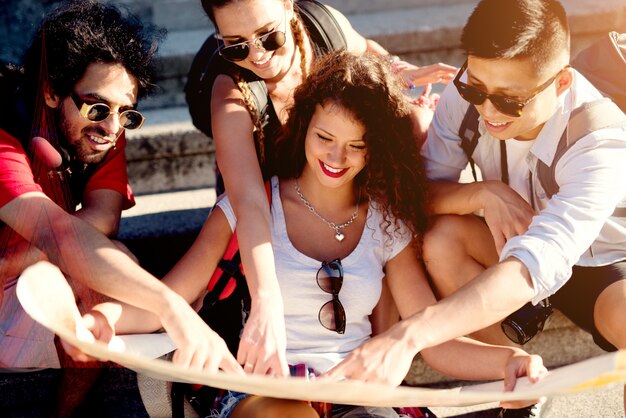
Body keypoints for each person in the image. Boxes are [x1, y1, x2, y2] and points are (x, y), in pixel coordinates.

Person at [85, 51, 546, 417]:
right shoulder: (252, 207)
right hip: (265, 390)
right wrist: (100, 318)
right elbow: (170, 296)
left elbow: (433, 339)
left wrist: (508, 363)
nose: (337, 157)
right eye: (325, 137)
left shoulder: (386, 221)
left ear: (375, 149)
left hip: (357, 396)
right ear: (303, 126)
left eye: (356, 145)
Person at [327, 0, 626, 415]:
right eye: (475, 89)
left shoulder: (600, 141)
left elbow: (534, 265)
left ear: (561, 84)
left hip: (607, 264)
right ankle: (519, 386)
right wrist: (482, 192)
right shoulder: (467, 92)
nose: (486, 109)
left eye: (509, 100)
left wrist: (406, 337)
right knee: (441, 237)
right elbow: (416, 196)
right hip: (513, 241)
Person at [194, 0, 457, 378]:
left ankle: (374, 344)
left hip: (341, 195)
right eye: (236, 44)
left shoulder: (325, 26)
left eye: (270, 36)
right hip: (265, 187)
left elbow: (366, 51)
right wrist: (266, 301)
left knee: (412, 120)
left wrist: (400, 71)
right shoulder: (231, 90)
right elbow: (249, 202)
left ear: (290, 6)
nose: (258, 55)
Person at [0, 0, 242, 375]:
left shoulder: (103, 129)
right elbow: (62, 233)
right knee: (77, 273)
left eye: (125, 113)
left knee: (113, 262)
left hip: (12, 266)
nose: (113, 128)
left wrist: (23, 256)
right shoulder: (5, 132)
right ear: (50, 91)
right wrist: (169, 305)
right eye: (96, 108)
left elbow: (104, 218)